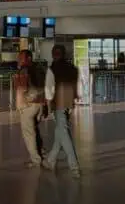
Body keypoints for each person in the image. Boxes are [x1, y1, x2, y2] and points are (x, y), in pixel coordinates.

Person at [43, 45, 81, 177]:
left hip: (58, 103)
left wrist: (48, 105)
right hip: (69, 103)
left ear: (53, 54)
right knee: (60, 131)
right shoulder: (73, 68)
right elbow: (76, 86)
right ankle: (50, 160)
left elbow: (48, 89)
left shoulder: (52, 69)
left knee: (63, 133)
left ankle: (74, 166)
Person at [14, 50, 47, 167]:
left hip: (28, 105)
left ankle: (35, 159)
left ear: (28, 58)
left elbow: (22, 89)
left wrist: (20, 105)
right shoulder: (39, 69)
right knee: (35, 130)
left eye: (20, 58)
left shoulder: (24, 70)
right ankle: (41, 153)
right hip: (39, 104)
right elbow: (45, 86)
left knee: (28, 133)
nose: (19, 60)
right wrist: (44, 104)